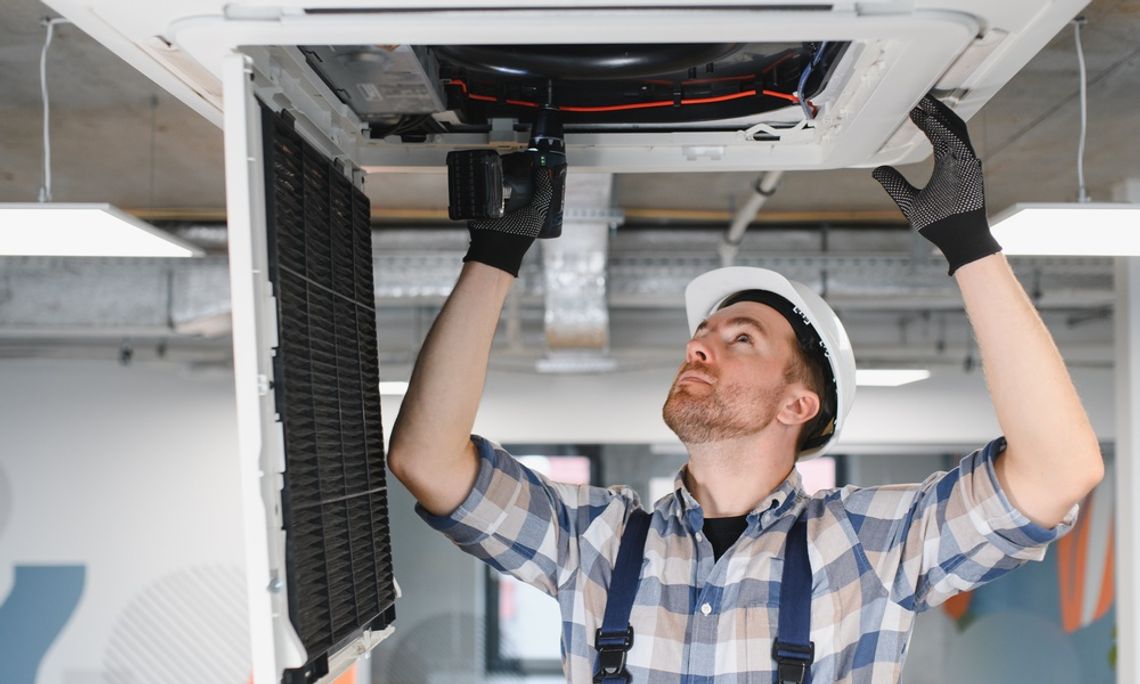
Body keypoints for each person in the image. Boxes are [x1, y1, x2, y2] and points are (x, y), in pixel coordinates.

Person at [385, 95, 1103, 682]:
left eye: (740, 338)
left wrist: (969, 245)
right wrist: (495, 252)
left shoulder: (868, 548)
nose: (698, 343)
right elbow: (428, 459)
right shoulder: (597, 542)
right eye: (703, 332)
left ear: (798, 405)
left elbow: (1057, 470)